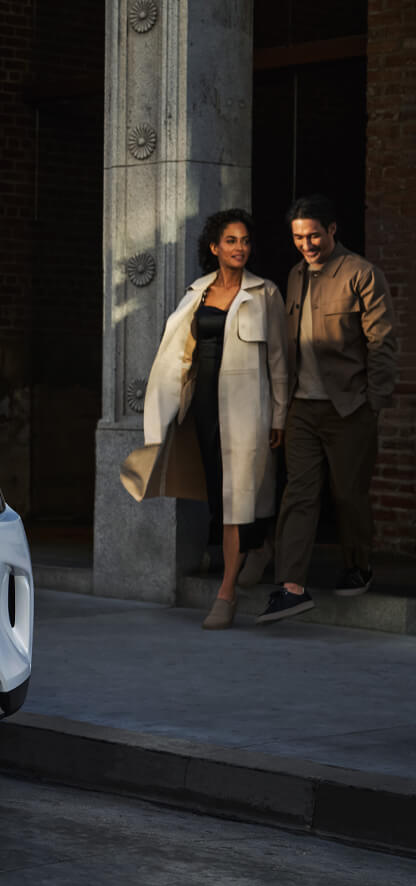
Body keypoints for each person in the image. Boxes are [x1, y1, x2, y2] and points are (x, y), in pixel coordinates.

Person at [124, 209, 287, 629]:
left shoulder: (265, 293)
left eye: (246, 241)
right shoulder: (196, 293)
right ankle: (259, 546)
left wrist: (280, 415)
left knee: (238, 494)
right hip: (204, 405)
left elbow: (279, 361)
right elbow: (180, 353)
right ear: (214, 247)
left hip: (249, 406)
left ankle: (227, 591)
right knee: (219, 490)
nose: (240, 248)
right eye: (231, 241)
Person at [257, 195, 398, 624]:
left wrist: (373, 402)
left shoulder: (361, 275)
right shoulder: (296, 276)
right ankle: (291, 587)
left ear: (333, 230)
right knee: (297, 493)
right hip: (303, 407)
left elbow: (383, 343)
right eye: (299, 237)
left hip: (349, 406)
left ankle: (359, 564)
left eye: (314, 235)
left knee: (348, 494)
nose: (307, 244)